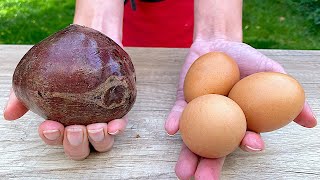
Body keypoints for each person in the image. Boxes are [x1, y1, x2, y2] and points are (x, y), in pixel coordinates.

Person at [3, 0, 317, 179]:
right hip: (130, 17)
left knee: (208, 63)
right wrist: (94, 19)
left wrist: (217, 33)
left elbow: (215, 75)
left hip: (186, 15)